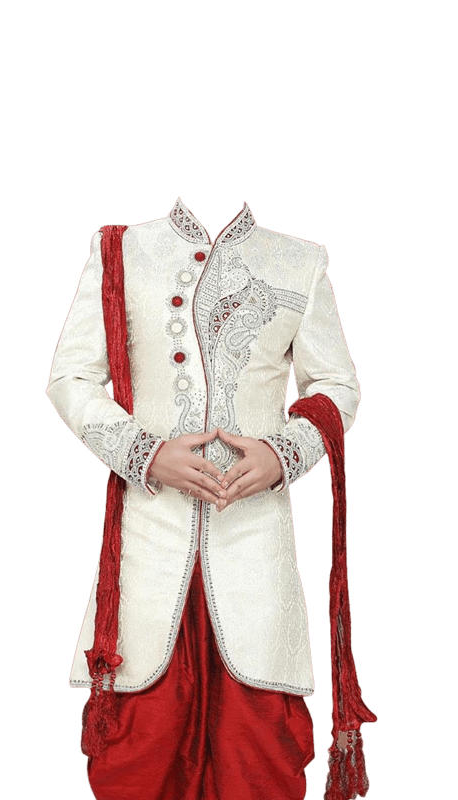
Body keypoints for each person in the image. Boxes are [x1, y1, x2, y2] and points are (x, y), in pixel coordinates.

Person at [45, 198, 375, 800]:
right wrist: (145, 453)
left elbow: (336, 384)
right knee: (135, 753)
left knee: (261, 754)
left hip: (255, 542)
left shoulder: (300, 259)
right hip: (147, 537)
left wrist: (282, 454)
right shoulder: (122, 250)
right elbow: (71, 377)